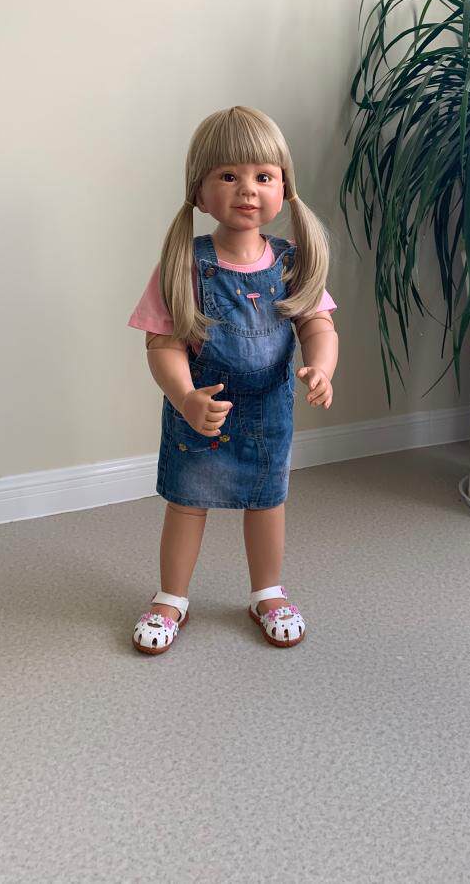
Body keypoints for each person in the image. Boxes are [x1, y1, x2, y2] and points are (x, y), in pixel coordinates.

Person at [127, 106, 339, 654]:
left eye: (263, 176)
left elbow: (318, 324)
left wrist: (321, 367)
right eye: (228, 175)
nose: (247, 189)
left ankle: (267, 591)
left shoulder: (292, 263)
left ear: (283, 187)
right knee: (187, 502)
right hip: (201, 411)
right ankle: (171, 596)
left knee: (266, 501)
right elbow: (163, 344)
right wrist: (184, 397)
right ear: (199, 192)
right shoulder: (185, 264)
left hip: (268, 412)